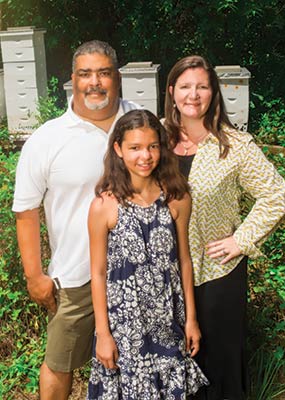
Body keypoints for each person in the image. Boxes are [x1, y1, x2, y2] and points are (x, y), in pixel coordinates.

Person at [12, 40, 140, 400]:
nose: (94, 82)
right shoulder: (47, 139)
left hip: (140, 271)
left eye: (103, 73)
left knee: (140, 360)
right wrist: (34, 275)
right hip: (76, 276)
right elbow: (26, 210)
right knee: (59, 363)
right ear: (72, 79)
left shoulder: (141, 122)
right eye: (85, 74)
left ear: (118, 77)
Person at [164, 55, 285, 400]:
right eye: (186, 86)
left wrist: (241, 240)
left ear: (213, 93)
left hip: (216, 274)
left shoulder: (233, 146)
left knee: (218, 365)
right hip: (162, 277)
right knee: (171, 366)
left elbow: (276, 194)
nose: (194, 94)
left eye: (202, 86)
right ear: (172, 91)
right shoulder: (155, 140)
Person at [86, 109, 209, 399]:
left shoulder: (177, 198)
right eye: (135, 148)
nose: (145, 156)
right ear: (118, 149)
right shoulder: (104, 206)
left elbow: (184, 261)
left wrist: (191, 318)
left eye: (153, 146)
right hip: (125, 327)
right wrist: (102, 334)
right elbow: (98, 272)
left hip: (167, 320)